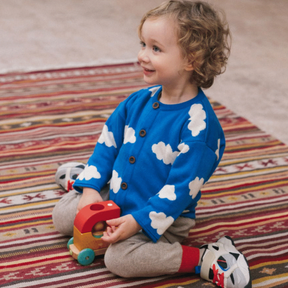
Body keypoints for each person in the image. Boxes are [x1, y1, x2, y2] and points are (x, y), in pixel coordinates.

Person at [53, 1, 251, 287]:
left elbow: (180, 191)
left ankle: (205, 259)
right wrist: (93, 188)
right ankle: (88, 176)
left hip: (162, 215)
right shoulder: (139, 100)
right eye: (143, 44)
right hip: (117, 193)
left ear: (191, 59)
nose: (141, 55)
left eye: (155, 48)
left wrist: (136, 222)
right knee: (62, 218)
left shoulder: (200, 129)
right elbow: (109, 142)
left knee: (118, 260)